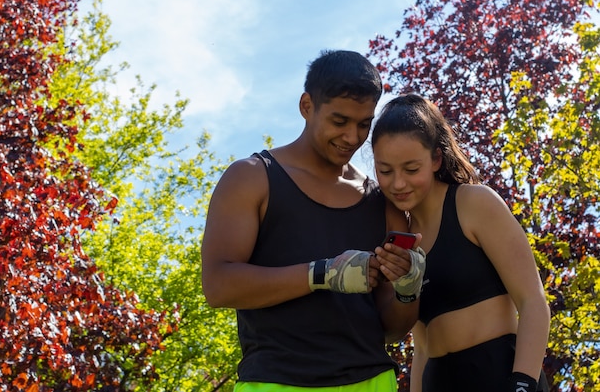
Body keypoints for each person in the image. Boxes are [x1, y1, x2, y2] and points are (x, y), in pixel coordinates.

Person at [201, 50, 425, 392]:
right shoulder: (251, 178)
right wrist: (322, 274)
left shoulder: (382, 203)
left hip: (372, 381)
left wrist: (408, 290)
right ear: (307, 106)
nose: (352, 137)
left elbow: (393, 330)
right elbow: (218, 286)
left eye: (364, 124)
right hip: (276, 382)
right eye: (339, 121)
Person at [370, 94, 551, 392]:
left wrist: (523, 384)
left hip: (501, 375)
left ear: (436, 159)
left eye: (411, 169)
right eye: (385, 171)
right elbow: (422, 343)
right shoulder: (401, 238)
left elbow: (533, 302)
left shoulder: (474, 203)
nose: (398, 183)